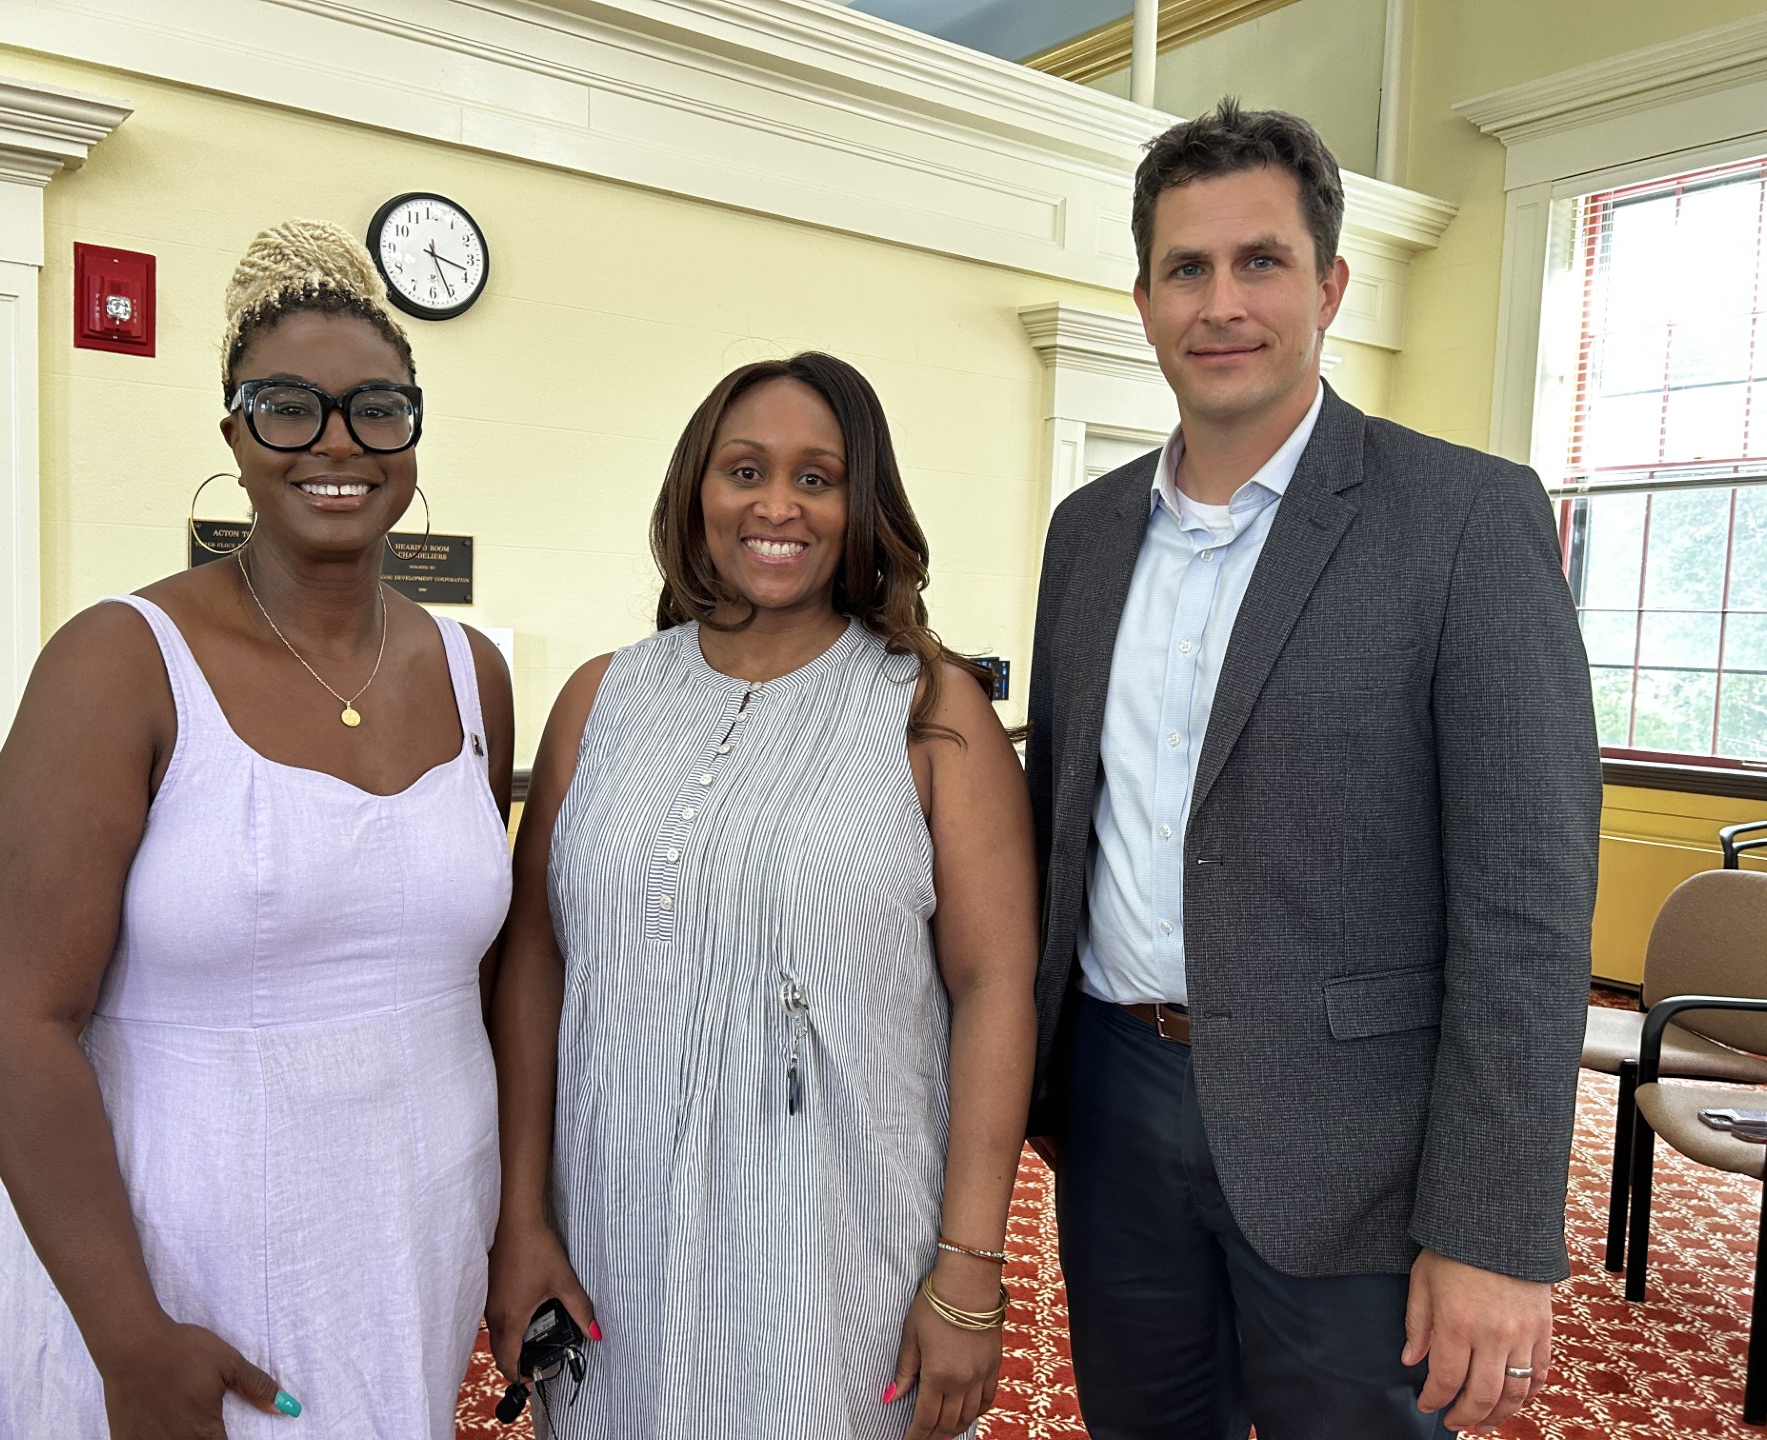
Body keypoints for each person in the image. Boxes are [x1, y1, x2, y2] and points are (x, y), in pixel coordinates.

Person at [1025, 100, 1601, 1440]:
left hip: (1361, 1151)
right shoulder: (1087, 536)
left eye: (1260, 261)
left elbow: (1526, 911)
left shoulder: (1464, 519)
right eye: (1187, 268)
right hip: (1115, 1110)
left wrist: (1496, 1228)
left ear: (1331, 284)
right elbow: (1065, 821)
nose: (1221, 303)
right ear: (1144, 295)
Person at [0, 219, 515, 1439]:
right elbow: (7, 1015)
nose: (337, 443)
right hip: (165, 1277)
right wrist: (125, 1335)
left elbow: (483, 975)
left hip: (404, 1254)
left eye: (376, 408)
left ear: (414, 431)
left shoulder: (474, 672)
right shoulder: (120, 659)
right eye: (287, 407)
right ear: (235, 435)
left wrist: (517, 1223)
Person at [485, 352, 1038, 1440]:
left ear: (860, 503)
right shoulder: (602, 697)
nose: (777, 505)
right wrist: (520, 1219)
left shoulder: (935, 711)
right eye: (745, 470)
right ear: (698, 492)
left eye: (817, 478)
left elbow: (995, 989)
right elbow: (536, 962)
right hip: (616, 1235)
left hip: (839, 1251)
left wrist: (971, 1265)